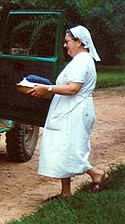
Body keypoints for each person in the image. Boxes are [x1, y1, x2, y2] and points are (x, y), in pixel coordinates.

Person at [29, 25, 109, 199]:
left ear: (79, 42)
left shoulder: (83, 61)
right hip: (68, 110)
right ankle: (65, 192)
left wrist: (48, 88)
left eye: (67, 42)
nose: (65, 46)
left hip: (76, 111)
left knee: (71, 149)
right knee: (63, 148)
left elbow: (73, 88)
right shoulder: (78, 61)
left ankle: (97, 174)